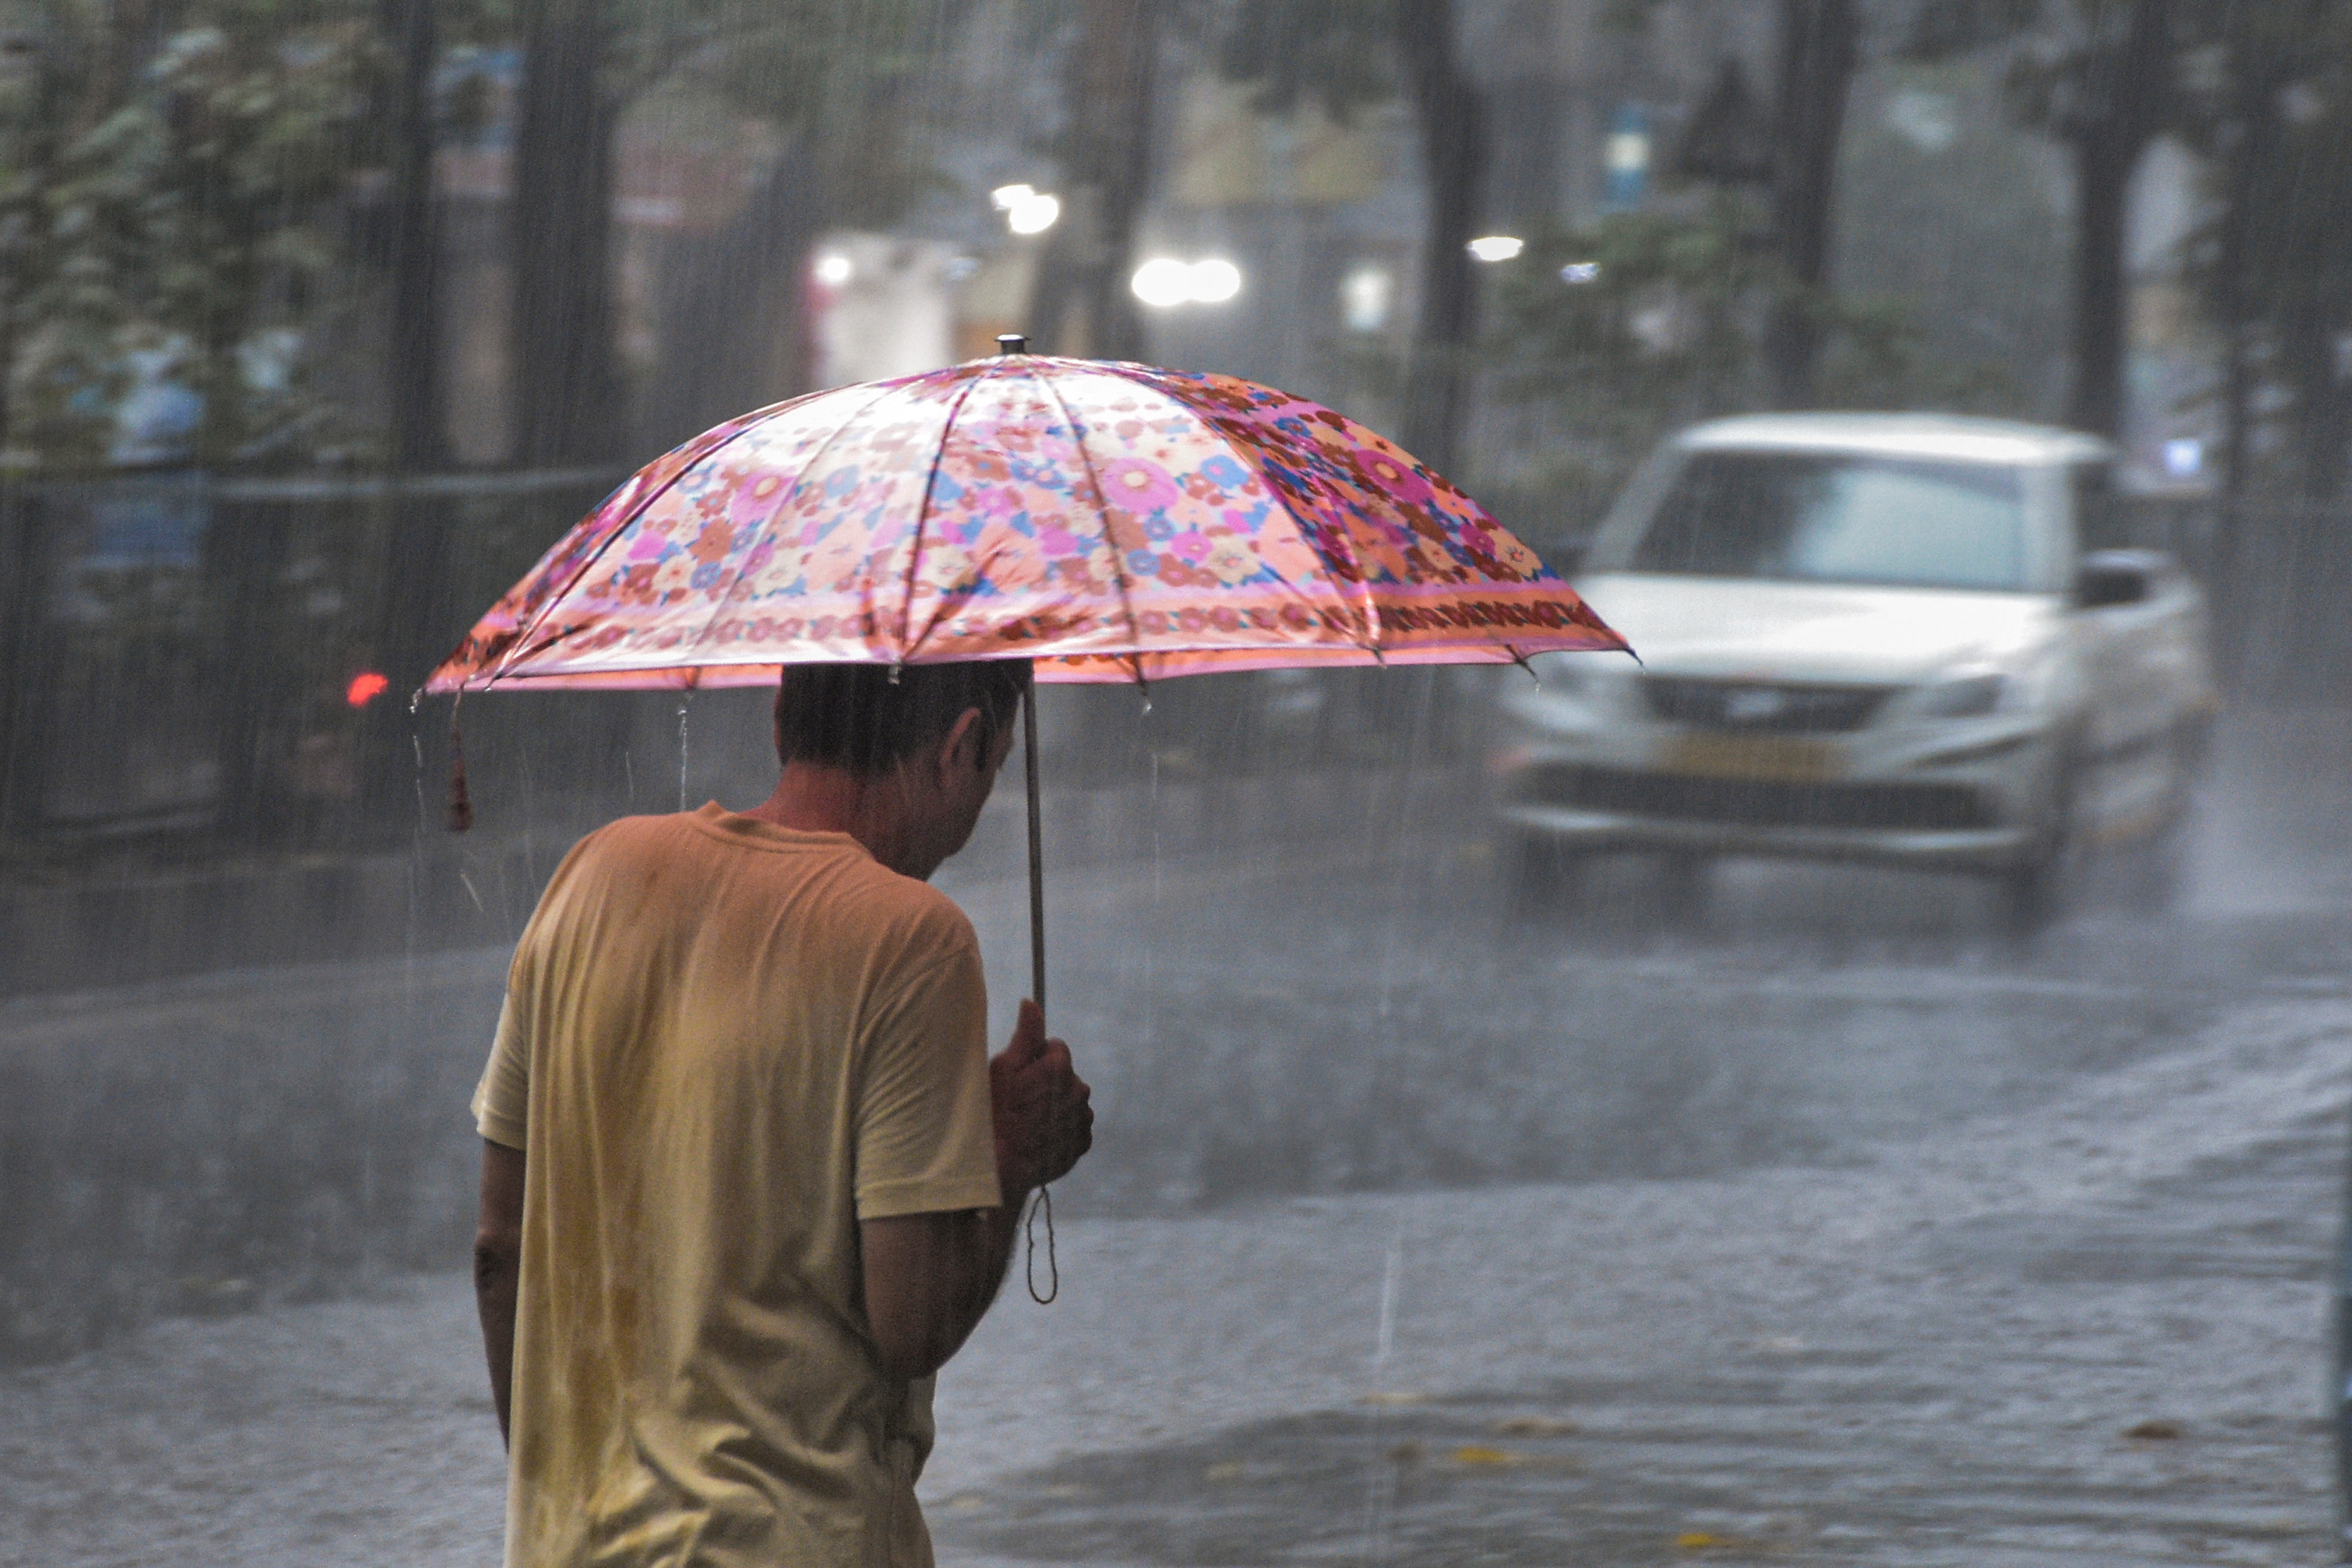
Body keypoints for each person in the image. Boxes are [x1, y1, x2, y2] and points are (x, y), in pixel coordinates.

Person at [469, 659, 1093, 1568]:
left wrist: (561, 1482)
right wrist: (1006, 1154)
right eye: (994, 768)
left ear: (779, 716)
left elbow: (499, 1249)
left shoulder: (592, 878)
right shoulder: (910, 939)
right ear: (961, 745)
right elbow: (911, 1320)